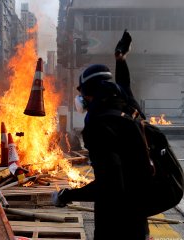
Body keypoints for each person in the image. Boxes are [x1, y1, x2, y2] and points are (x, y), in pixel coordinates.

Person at [52, 30, 151, 240]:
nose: (81, 99)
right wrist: (121, 59)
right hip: (139, 216)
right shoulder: (128, 106)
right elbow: (124, 85)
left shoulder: (98, 127)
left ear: (90, 94)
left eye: (82, 93)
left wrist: (67, 195)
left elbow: (110, 186)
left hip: (115, 223)